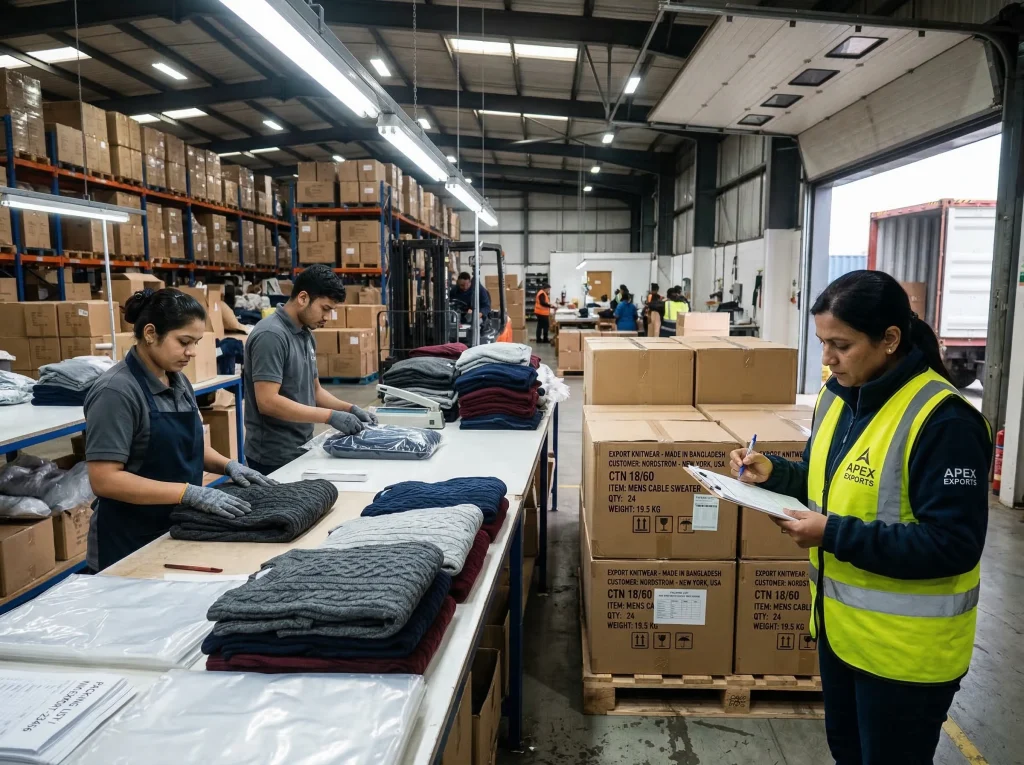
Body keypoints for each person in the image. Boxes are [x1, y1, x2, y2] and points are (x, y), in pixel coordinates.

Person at [730, 270, 991, 765]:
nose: (826, 359)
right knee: (847, 753)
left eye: (840, 345)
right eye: (823, 343)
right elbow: (828, 481)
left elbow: (952, 545)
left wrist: (830, 533)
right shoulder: (838, 396)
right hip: (842, 635)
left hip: (907, 657)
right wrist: (777, 474)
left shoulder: (945, 421)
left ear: (890, 339)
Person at [84, 288, 275, 571]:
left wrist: (229, 465)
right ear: (150, 333)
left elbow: (191, 444)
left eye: (196, 342)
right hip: (128, 539)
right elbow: (105, 479)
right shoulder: (116, 392)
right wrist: (189, 493)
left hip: (177, 527)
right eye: (184, 341)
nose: (192, 353)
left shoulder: (178, 381)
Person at [243, 265, 376, 476]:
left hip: (301, 447)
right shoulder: (271, 335)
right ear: (303, 298)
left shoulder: (305, 335)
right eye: (325, 309)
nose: (328, 317)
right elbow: (267, 402)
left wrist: (349, 408)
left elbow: (315, 391)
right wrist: (329, 416)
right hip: (273, 455)